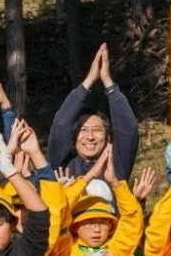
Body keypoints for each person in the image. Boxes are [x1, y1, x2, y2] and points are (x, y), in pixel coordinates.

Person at [48, 44, 141, 181]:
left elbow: (128, 130)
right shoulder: (62, 165)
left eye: (97, 130)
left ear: (108, 137)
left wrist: (108, 83)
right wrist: (89, 80)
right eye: (83, 130)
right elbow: (61, 124)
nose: (90, 137)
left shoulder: (115, 166)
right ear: (73, 138)